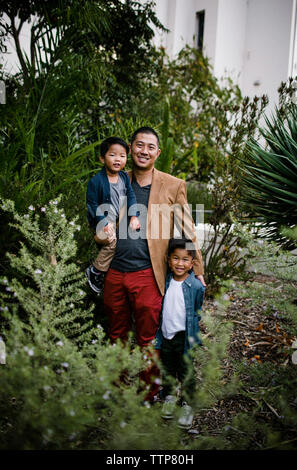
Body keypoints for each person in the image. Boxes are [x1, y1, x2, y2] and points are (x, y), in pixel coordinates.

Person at [102, 126, 206, 401]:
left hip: (149, 273)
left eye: (150, 147)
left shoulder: (173, 185)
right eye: (139, 145)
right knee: (116, 333)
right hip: (114, 271)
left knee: (149, 338)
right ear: (130, 148)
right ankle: (118, 389)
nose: (144, 151)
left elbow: (187, 231)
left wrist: (197, 270)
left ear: (157, 153)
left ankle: (148, 393)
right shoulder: (116, 180)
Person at [155, 237, 205, 429]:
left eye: (185, 260)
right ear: (168, 259)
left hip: (185, 337)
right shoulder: (165, 281)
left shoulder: (196, 286)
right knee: (167, 368)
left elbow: (197, 310)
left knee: (186, 371)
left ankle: (187, 404)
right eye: (176, 258)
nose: (180, 263)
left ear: (192, 263)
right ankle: (169, 397)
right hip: (166, 334)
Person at [85, 136, 140, 294]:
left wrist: (134, 216)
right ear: (102, 158)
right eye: (112, 155)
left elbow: (130, 196)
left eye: (122, 156)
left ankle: (109, 274)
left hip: (117, 220)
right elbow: (92, 205)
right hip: (101, 222)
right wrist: (102, 221)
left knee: (126, 239)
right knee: (112, 241)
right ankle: (95, 271)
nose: (118, 159)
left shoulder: (123, 177)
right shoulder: (96, 181)